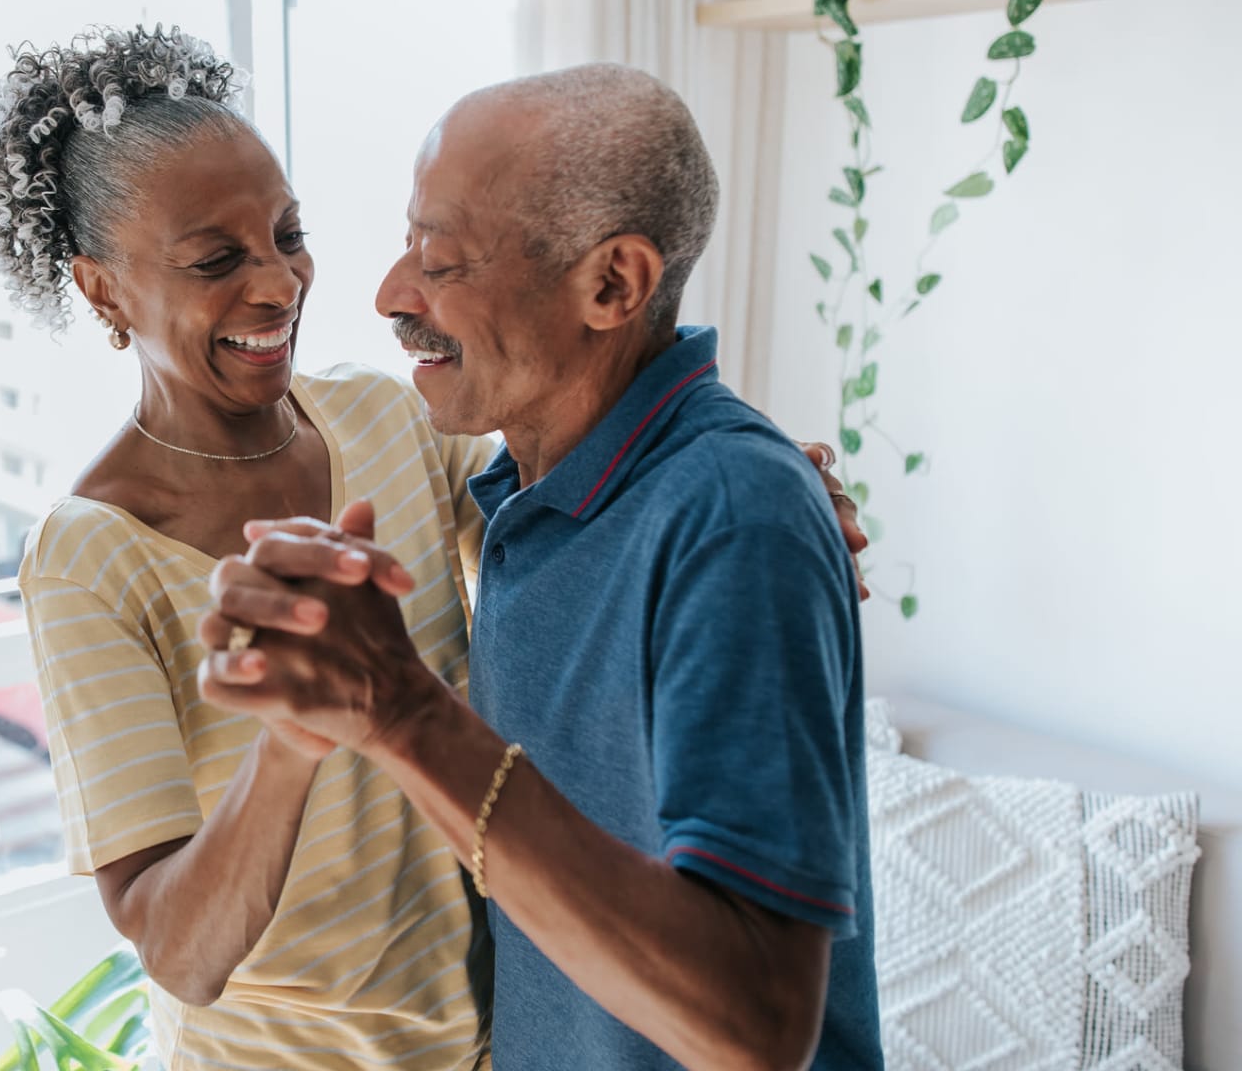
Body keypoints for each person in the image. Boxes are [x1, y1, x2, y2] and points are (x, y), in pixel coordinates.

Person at [0, 28, 869, 1070]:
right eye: (216, 260)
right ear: (103, 289)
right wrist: (295, 737)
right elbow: (179, 951)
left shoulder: (389, 424)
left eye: (288, 235)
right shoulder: (91, 559)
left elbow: (589, 504)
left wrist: (758, 493)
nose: (282, 284)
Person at [197, 65, 883, 1070]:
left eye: (440, 259)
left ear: (611, 285)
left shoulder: (733, 515)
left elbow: (752, 1027)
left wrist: (401, 711)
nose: (390, 293)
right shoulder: (521, 493)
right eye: (404, 243)